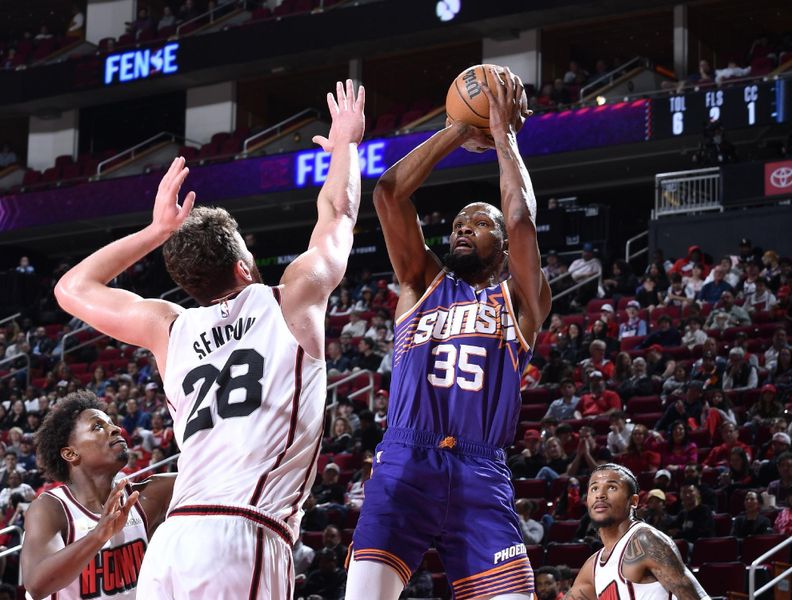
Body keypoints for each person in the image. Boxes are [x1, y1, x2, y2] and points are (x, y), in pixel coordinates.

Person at [53, 81, 366, 598]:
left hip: (171, 543)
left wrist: (155, 231)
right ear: (244, 267)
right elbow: (338, 215)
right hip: (243, 529)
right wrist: (346, 146)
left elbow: (71, 288)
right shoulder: (291, 300)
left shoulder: (167, 328)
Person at [347, 67, 549, 600]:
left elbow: (522, 218)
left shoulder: (521, 303)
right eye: (458, 223)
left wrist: (502, 135)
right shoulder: (420, 283)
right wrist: (461, 126)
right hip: (406, 461)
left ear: (502, 247)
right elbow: (388, 193)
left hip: (481, 469)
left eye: (479, 223)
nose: (463, 227)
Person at [20, 392, 175, 599]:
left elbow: (214, 472)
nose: (116, 429)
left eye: (112, 423)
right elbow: (37, 586)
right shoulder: (51, 508)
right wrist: (98, 535)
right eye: (98, 426)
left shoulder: (146, 496)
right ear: (70, 454)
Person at [565, 464, 709, 600]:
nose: (600, 495)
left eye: (611, 488)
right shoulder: (593, 566)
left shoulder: (645, 540)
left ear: (633, 501)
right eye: (594, 488)